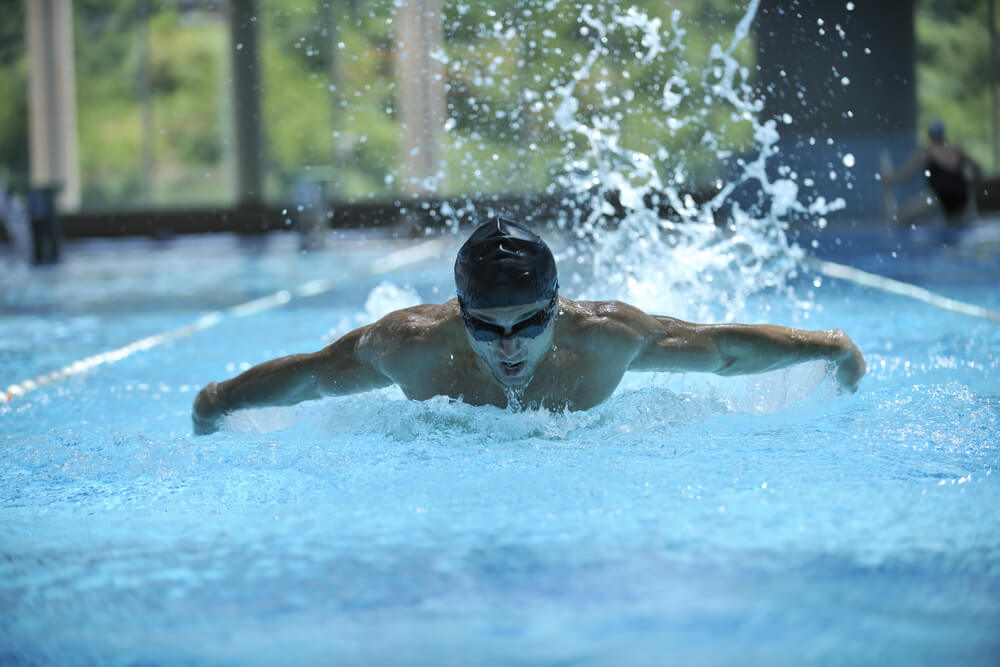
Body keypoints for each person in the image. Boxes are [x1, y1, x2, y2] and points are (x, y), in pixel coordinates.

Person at [192, 217, 866, 434]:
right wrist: (217, 400)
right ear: (460, 315)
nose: (509, 345)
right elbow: (311, 376)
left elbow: (721, 352)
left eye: (527, 324)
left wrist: (828, 346)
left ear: (557, 309)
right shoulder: (412, 346)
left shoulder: (605, 336)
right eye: (488, 328)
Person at [882, 121, 983, 227]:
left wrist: (889, 179)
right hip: (962, 196)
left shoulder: (927, 151)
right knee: (955, 226)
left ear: (929, 135)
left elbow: (905, 176)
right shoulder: (956, 150)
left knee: (902, 217)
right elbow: (978, 167)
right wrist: (970, 183)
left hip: (940, 194)